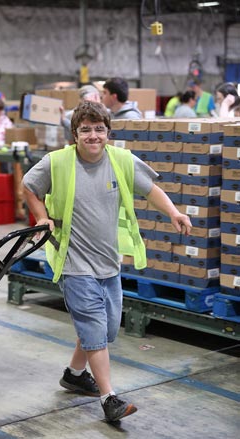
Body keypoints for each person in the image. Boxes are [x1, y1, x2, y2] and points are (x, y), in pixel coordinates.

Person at [22, 101, 192, 422]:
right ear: (75, 134)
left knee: (105, 329)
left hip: (108, 264)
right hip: (74, 264)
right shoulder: (56, 162)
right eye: (85, 129)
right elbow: (28, 187)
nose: (93, 135)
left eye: (99, 129)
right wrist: (42, 217)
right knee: (94, 329)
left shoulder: (122, 161)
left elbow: (150, 189)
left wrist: (173, 212)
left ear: (108, 133)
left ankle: (74, 374)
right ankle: (109, 399)